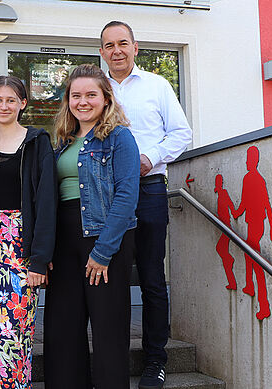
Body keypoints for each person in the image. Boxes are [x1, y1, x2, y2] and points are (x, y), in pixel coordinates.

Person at [99, 20, 193, 389]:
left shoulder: (157, 85)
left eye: (123, 43)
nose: (117, 50)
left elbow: (182, 133)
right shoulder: (95, 88)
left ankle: (156, 359)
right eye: (109, 45)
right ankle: (113, 357)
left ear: (135, 47)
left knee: (152, 277)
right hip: (103, 195)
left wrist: (149, 158)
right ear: (102, 51)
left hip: (148, 188)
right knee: (112, 278)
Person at [44, 64, 140, 389]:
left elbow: (127, 195)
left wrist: (103, 251)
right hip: (65, 242)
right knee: (63, 328)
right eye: (76, 95)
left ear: (105, 98)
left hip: (105, 239)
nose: (82, 101)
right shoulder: (62, 141)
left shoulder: (119, 138)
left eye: (90, 94)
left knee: (108, 329)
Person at [0, 76, 56, 389]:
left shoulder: (37, 143)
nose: (4, 106)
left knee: (15, 328)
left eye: (11, 100)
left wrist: (39, 259)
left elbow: (46, 201)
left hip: (20, 245)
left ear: (23, 103)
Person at [232, 146, 272, 320]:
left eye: (249, 158)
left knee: (256, 261)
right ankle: (250, 285)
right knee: (249, 253)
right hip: (254, 223)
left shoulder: (254, 178)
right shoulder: (252, 178)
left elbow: (265, 203)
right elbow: (245, 202)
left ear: (254, 160)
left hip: (257, 224)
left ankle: (263, 305)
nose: (246, 161)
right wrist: (236, 213)